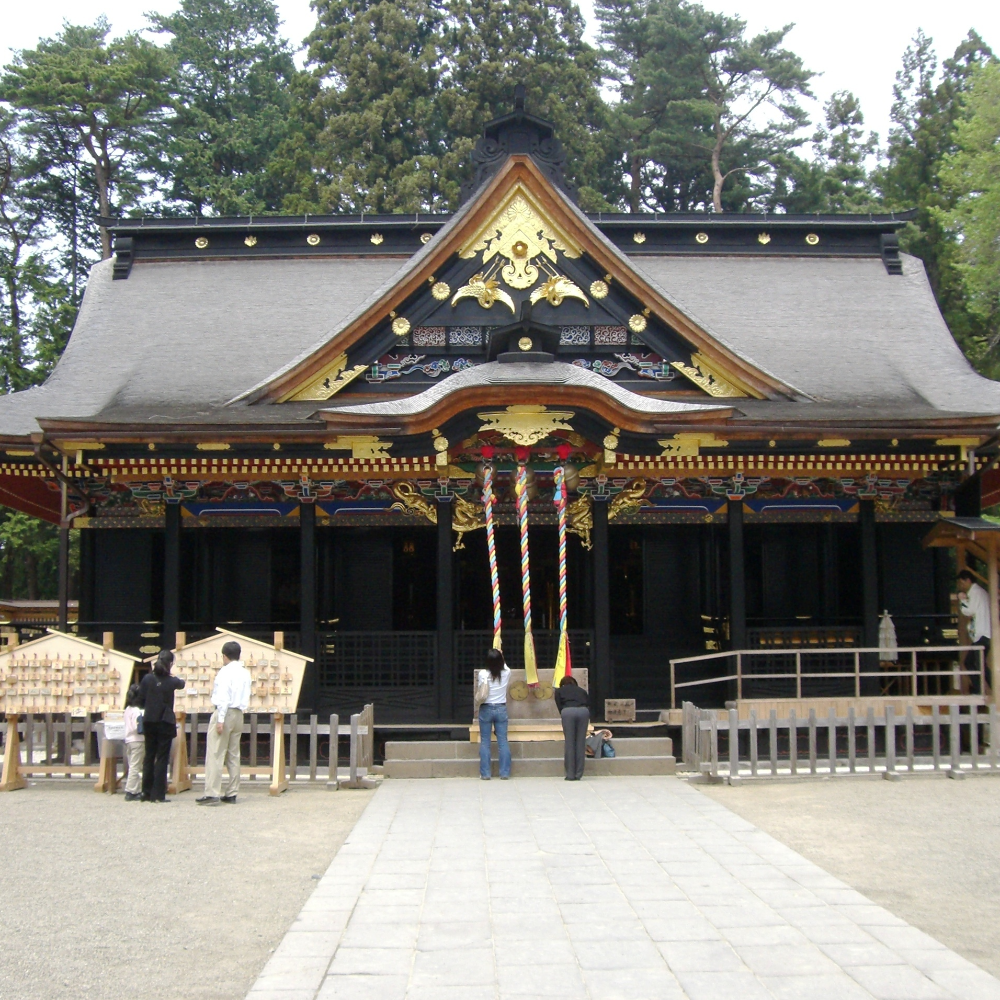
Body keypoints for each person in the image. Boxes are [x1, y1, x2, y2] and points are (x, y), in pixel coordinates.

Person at [197, 640, 251, 806]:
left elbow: (223, 697)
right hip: (239, 713)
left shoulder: (224, 672)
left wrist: (220, 719)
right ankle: (232, 792)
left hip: (225, 712)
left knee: (215, 753)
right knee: (234, 754)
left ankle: (212, 792)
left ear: (224, 656)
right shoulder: (245, 672)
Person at [136, 650, 185, 802]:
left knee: (149, 756)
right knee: (162, 758)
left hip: (149, 719)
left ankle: (146, 791)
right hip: (165, 721)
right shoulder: (171, 681)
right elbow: (182, 684)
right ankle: (158, 794)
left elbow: (140, 699)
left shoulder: (147, 679)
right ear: (170, 664)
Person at [477, 648, 511, 780]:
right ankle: (504, 773)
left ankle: (485, 773)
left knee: (485, 741)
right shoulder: (507, 673)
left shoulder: (482, 674)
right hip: (501, 708)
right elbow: (505, 665)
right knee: (503, 741)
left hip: (486, 708)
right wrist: (501, 654)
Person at [958, 570, 992, 694]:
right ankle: (984, 689)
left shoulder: (976, 593)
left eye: (962, 583)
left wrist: (962, 600)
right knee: (977, 663)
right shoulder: (980, 592)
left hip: (982, 634)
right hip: (984, 634)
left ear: (968, 580)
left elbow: (969, 611)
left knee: (972, 662)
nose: (961, 586)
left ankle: (981, 690)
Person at [555, 675, 589, 781]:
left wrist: (565, 713)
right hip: (583, 712)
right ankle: (578, 774)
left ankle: (570, 774)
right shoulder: (582, 691)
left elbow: (559, 705)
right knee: (580, 742)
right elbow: (588, 703)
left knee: (570, 742)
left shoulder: (559, 691)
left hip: (568, 711)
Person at [122, 683, 145, 802]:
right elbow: (138, 727)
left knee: (133, 765)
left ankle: (135, 789)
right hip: (138, 740)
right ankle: (131, 790)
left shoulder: (127, 710)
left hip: (129, 740)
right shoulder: (138, 711)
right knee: (136, 767)